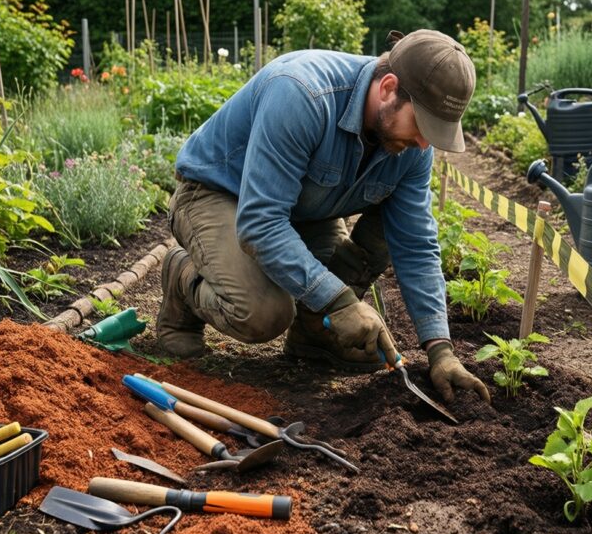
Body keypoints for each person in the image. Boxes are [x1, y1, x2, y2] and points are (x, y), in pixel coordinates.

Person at [159, 29, 490, 404]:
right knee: (263, 313)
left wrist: (440, 350)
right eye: (422, 125)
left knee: (392, 225)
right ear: (388, 89)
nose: (424, 143)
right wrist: (339, 301)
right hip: (218, 195)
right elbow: (261, 222)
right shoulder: (302, 93)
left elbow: (415, 243)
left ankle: (316, 334)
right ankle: (181, 282)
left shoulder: (413, 147)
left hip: (305, 210)